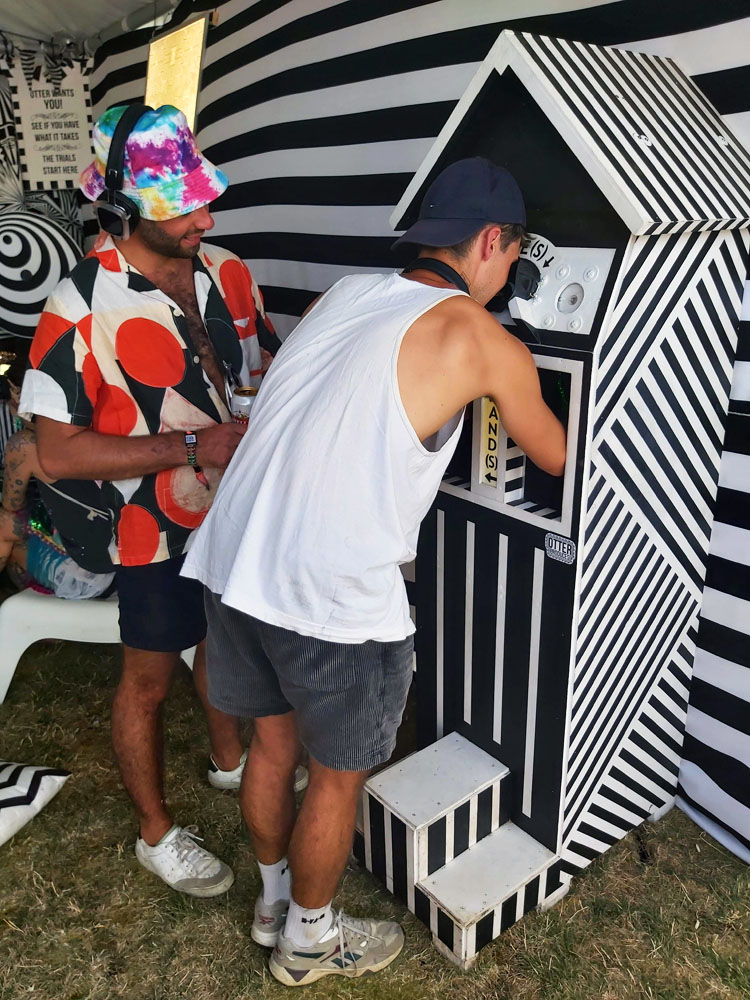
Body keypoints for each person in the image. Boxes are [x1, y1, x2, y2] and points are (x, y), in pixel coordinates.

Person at [183, 156, 566, 984]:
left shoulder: (343, 295)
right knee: (337, 776)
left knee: (271, 746)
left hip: (234, 558)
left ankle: (273, 903)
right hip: (327, 591)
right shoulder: (480, 336)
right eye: (514, 257)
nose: (509, 276)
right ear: (493, 242)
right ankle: (310, 941)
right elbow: (558, 454)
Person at [18, 103, 298, 898]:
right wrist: (188, 446)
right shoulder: (77, 309)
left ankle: (228, 761)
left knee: (222, 641)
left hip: (234, 510)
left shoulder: (229, 271)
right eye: (183, 206)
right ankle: (153, 834)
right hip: (147, 534)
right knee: (146, 680)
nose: (205, 215)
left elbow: (263, 362)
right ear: (122, 209)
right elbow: (58, 452)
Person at [0, 377, 114, 598]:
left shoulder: (25, 446)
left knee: (7, 527)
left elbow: (11, 515)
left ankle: (26, 615)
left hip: (91, 576)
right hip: (127, 565)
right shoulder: (83, 432)